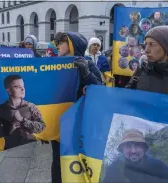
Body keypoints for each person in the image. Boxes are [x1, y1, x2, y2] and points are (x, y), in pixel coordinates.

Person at [52, 32, 102, 183]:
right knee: (57, 162)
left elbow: (99, 89)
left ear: (72, 45)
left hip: (79, 122)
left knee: (77, 160)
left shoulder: (87, 62)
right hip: (59, 122)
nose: (57, 46)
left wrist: (86, 73)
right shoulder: (54, 64)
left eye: (61, 42)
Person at [126, 25, 168, 100]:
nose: (146, 50)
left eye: (152, 45)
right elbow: (126, 105)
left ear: (166, 48)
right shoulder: (139, 73)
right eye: (146, 45)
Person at [0, 74, 45, 150]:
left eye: (23, 86)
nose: (22, 89)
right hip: (11, 150)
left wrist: (23, 120)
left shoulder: (31, 106)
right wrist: (9, 129)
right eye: (17, 87)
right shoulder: (1, 109)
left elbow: (41, 126)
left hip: (32, 149)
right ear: (9, 91)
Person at [104, 129, 168, 183]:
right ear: (122, 149)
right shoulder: (114, 168)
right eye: (128, 146)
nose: (133, 151)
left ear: (144, 148)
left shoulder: (158, 166)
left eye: (137, 145)